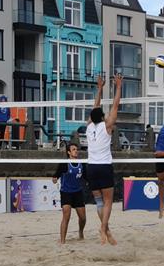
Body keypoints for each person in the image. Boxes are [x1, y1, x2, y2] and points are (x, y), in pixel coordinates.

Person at [85, 72, 123, 245]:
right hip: (104, 167)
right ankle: (103, 228)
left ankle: (106, 231)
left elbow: (95, 108)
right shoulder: (107, 126)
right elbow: (115, 105)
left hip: (91, 168)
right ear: (102, 118)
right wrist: (118, 86)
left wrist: (99, 89)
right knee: (108, 202)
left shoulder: (88, 126)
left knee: (99, 201)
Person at [52, 142, 87, 243]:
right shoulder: (64, 164)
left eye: (76, 149)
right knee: (66, 217)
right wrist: (55, 178)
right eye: (73, 149)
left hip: (78, 192)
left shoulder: (82, 163)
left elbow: (86, 176)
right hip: (66, 193)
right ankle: (62, 240)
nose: (76, 151)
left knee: (83, 218)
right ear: (69, 152)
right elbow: (56, 175)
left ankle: (80, 232)